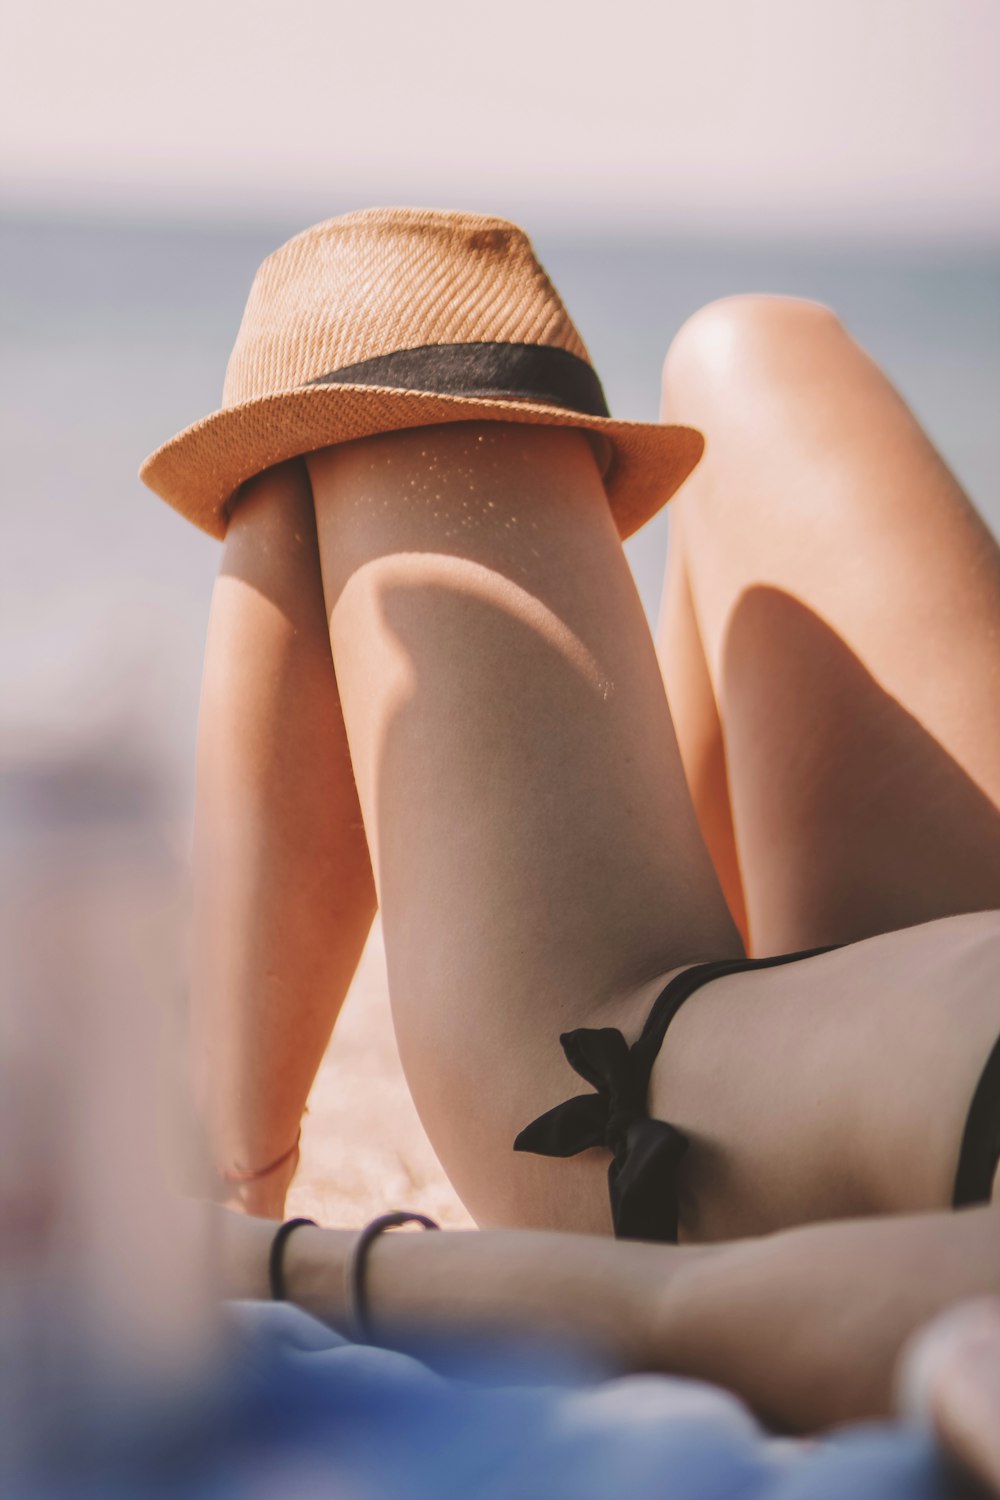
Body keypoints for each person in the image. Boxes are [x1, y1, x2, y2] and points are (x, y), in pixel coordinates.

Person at [140, 209, 1000, 1443]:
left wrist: (287, 1264)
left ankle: (219, 1172)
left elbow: (725, 1309)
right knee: (754, 347)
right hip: (948, 972)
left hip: (645, 1089)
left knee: (384, 326)